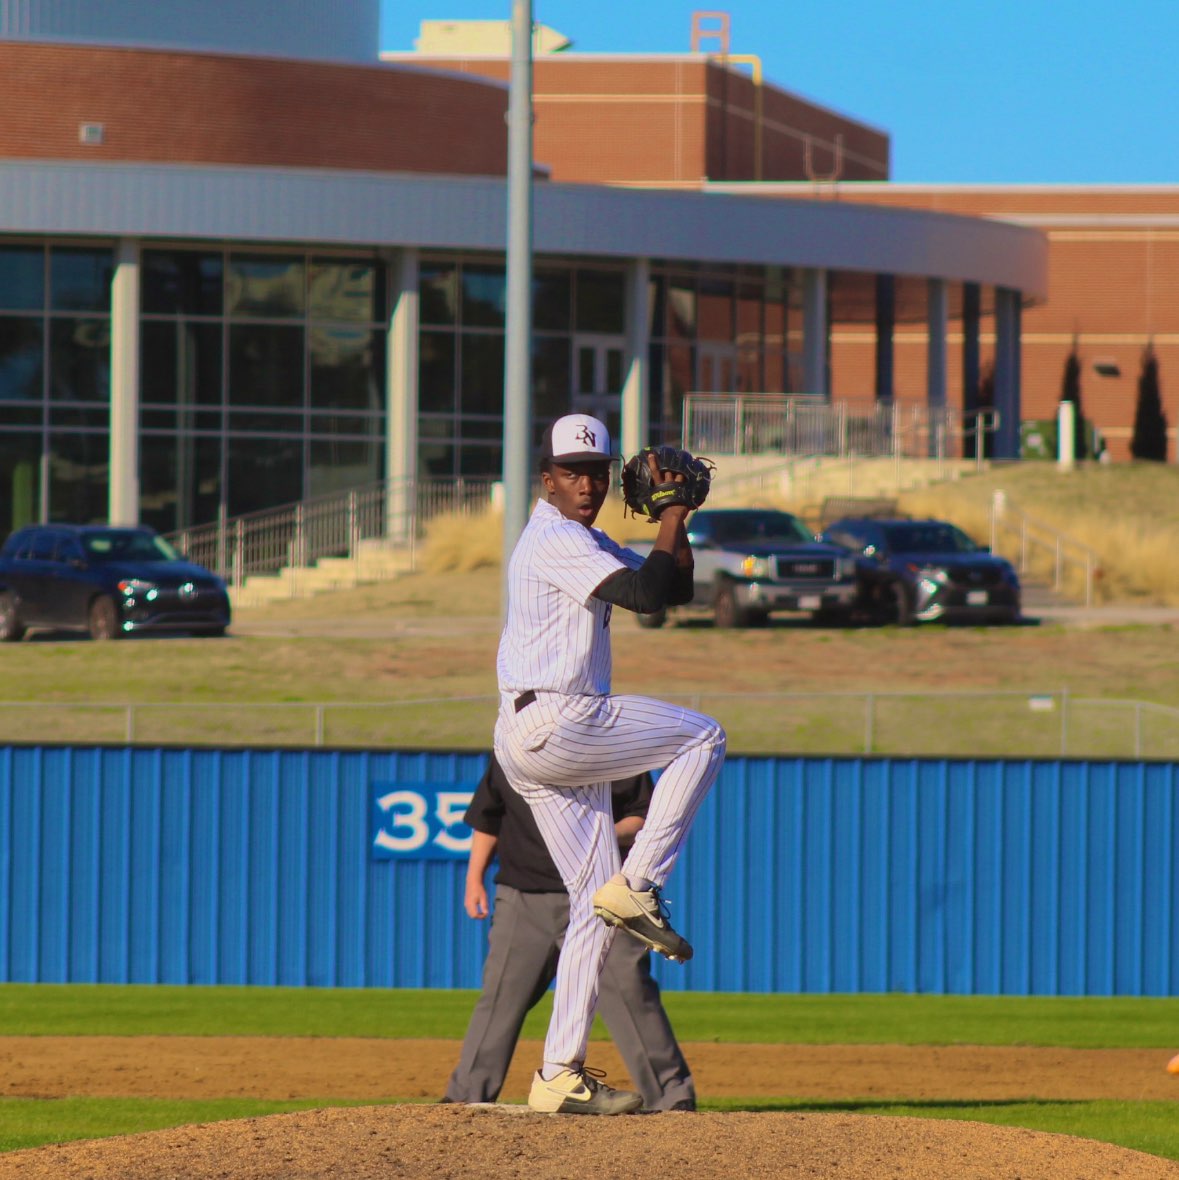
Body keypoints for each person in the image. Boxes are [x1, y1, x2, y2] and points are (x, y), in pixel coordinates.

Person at [494, 412, 726, 1116]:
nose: (588, 484)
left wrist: (673, 522)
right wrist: (672, 510)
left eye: (597, 472)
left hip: (530, 735)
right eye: (572, 472)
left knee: (592, 905)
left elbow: (671, 591)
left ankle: (558, 1073)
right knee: (702, 737)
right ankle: (644, 883)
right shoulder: (555, 538)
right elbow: (646, 594)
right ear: (547, 481)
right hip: (562, 719)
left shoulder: (584, 537)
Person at [442, 754, 697, 1111]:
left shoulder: (615, 751)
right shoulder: (514, 750)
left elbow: (643, 817)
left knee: (630, 993)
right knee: (500, 999)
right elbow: (488, 818)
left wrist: (597, 835)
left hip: (601, 896)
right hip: (525, 896)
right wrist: (473, 879)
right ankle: (464, 1096)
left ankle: (673, 1097)